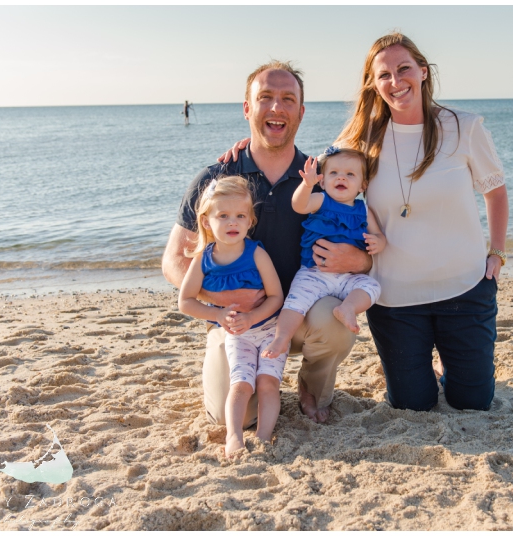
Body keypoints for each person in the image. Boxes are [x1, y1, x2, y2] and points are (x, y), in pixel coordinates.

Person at [162, 60, 371, 425]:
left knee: (337, 322)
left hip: (303, 313)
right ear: (247, 109)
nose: (277, 107)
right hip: (239, 324)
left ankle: (312, 387)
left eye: (288, 99)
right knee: (236, 418)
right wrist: (217, 300)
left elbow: (369, 243)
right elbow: (173, 261)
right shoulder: (217, 179)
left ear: (301, 113)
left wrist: (359, 261)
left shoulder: (324, 178)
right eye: (266, 98)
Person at [334, 32, 510, 412]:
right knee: (413, 405)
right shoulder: (362, 139)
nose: (396, 82)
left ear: (423, 72)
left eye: (404, 69)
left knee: (473, 402)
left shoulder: (464, 127)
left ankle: (456, 366)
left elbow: (495, 191)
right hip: (394, 298)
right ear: (373, 84)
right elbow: (320, 179)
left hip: (465, 289)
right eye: (384, 75)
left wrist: (496, 252)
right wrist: (246, 148)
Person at [177, 176, 285, 457]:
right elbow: (185, 301)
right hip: (237, 333)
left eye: (240, 216)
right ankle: (234, 437)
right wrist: (218, 313)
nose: (232, 222)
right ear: (206, 222)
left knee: (267, 383)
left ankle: (263, 436)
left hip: (268, 329)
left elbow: (276, 297)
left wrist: (253, 317)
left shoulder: (256, 253)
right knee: (241, 384)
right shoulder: (204, 259)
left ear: (250, 221)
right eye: (223, 216)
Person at [261, 147, 385, 360]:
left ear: (363, 185)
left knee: (372, 286)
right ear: (323, 181)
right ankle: (281, 337)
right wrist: (306, 185)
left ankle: (348, 308)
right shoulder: (320, 200)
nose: (341, 178)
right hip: (314, 273)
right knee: (296, 302)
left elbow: (378, 235)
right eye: (334, 173)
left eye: (350, 174)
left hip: (349, 277)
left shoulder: (363, 210)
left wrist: (378, 243)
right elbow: (298, 205)